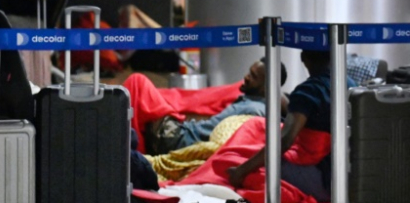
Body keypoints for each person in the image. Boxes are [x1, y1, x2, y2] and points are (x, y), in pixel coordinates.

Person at [227, 50, 356, 202]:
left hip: (323, 181)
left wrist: (240, 171)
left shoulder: (308, 91)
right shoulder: (349, 83)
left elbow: (284, 141)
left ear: (303, 58)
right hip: (348, 178)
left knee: (242, 162)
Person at [143, 58, 288, 155]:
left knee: (139, 85)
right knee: (142, 95)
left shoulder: (253, 111)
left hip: (181, 139)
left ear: (266, 88)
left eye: (253, 76)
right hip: (184, 133)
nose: (246, 77)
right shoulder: (251, 101)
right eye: (249, 72)